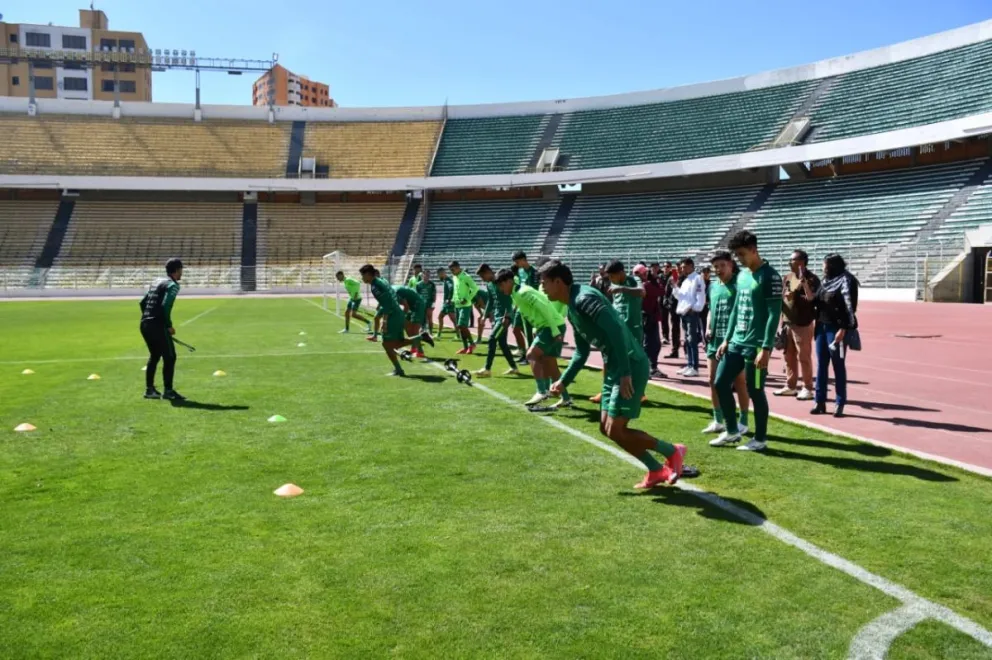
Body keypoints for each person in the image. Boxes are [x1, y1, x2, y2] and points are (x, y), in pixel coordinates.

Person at [542, 260, 686, 489]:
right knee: (605, 428)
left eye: (544, 282)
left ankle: (672, 450)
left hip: (629, 364)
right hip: (615, 368)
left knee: (616, 428)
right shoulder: (572, 308)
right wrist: (563, 381)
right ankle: (656, 470)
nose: (542, 288)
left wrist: (626, 373)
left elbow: (617, 330)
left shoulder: (584, 299)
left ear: (558, 282)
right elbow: (581, 352)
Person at [711, 231, 783, 452]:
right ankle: (732, 431)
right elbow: (736, 310)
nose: (739, 259)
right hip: (736, 342)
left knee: (756, 390)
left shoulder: (770, 276)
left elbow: (774, 314)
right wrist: (726, 339)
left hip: (756, 346)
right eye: (737, 255)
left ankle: (760, 439)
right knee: (720, 382)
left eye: (742, 254)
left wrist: (767, 348)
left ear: (754, 250)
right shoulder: (742, 276)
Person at [703, 251, 750, 435]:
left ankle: (744, 420)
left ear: (730, 264)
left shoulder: (739, 284)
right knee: (712, 380)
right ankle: (718, 420)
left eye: (722, 265)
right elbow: (710, 310)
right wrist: (708, 326)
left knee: (739, 382)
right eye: (715, 266)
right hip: (715, 341)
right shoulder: (713, 286)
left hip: (734, 341)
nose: (718, 269)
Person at [808, 253, 858, 418]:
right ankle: (819, 401)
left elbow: (850, 307)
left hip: (836, 329)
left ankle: (839, 402)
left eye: (825, 265)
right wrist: (804, 286)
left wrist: (843, 329)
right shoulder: (824, 282)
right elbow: (815, 301)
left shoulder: (847, 281)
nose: (823, 268)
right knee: (821, 365)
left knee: (838, 365)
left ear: (832, 265)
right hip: (821, 327)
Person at [510, 278, 571, 409]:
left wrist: (555, 331)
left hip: (550, 326)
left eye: (545, 281)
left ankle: (541, 391)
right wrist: (535, 328)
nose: (542, 285)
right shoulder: (518, 293)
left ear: (508, 282)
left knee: (531, 354)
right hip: (548, 326)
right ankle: (566, 398)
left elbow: (544, 308)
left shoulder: (524, 293)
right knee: (550, 365)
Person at [590, 260, 645, 404]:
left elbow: (642, 292)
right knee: (608, 358)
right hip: (617, 327)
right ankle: (605, 390)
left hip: (632, 328)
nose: (611, 281)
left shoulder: (634, 279)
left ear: (621, 273)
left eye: (612, 277)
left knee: (634, 361)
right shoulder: (614, 283)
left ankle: (639, 393)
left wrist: (621, 288)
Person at [775, 250, 820, 400]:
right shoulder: (788, 277)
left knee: (803, 357)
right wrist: (781, 322)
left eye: (792, 260)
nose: (789, 262)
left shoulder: (811, 278)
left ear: (801, 262)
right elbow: (783, 298)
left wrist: (801, 288)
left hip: (803, 324)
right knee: (789, 357)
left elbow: (812, 299)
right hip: (788, 322)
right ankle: (791, 386)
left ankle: (807, 388)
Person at [139, 258, 185, 401]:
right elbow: (166, 306)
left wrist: (149, 317)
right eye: (181, 270)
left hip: (145, 324)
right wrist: (168, 325)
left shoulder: (157, 282)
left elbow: (142, 302)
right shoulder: (172, 285)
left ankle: (150, 390)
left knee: (155, 356)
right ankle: (168, 391)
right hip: (158, 325)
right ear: (177, 270)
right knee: (170, 356)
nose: (182, 273)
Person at [360, 264, 417, 376]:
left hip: (393, 315)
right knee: (393, 343)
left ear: (368, 274)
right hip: (397, 313)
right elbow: (390, 297)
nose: (362, 278)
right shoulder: (381, 281)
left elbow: (386, 304)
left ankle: (399, 369)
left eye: (362, 275)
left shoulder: (375, 286)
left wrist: (384, 322)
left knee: (388, 344)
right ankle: (399, 368)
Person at [473, 265, 519, 377]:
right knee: (503, 344)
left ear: (488, 272)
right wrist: (484, 316)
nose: (482, 279)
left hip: (505, 317)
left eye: (482, 276)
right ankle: (514, 367)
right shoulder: (489, 285)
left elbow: (512, 299)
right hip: (497, 316)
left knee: (492, 338)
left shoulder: (502, 282)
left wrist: (508, 314)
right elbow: (490, 301)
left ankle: (487, 368)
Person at [673, 258, 706, 377]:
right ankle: (690, 364)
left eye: (684, 267)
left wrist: (695, 308)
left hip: (691, 313)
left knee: (692, 340)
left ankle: (695, 367)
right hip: (684, 312)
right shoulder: (686, 280)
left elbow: (700, 296)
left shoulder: (697, 278)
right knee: (687, 340)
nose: (682, 269)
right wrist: (675, 287)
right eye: (681, 267)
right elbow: (681, 297)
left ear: (691, 266)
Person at [512, 251, 540, 357]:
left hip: (530, 306)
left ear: (524, 260)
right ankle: (523, 351)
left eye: (517, 262)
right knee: (516, 328)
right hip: (521, 305)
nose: (516, 264)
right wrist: (517, 304)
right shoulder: (520, 272)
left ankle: (530, 355)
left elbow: (536, 291)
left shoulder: (534, 272)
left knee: (529, 332)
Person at [393, 284, 432, 359]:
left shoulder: (394, 292)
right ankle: (414, 348)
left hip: (418, 305)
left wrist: (399, 317)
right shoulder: (390, 291)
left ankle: (420, 351)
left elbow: (406, 307)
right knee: (406, 326)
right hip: (411, 305)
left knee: (414, 330)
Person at [640, 264, 665, 379]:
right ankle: (649, 368)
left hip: (650, 317)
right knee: (651, 344)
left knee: (652, 344)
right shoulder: (647, 285)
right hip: (648, 318)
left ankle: (650, 367)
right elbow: (661, 291)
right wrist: (657, 279)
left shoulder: (647, 284)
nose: (656, 272)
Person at [450, 261, 480, 354]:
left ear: (458, 267)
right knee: (460, 327)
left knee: (462, 325)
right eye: (450, 270)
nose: (452, 271)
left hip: (465, 306)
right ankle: (465, 347)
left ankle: (472, 344)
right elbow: (455, 290)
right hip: (457, 305)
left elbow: (475, 288)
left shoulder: (466, 277)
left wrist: (467, 299)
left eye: (453, 269)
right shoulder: (454, 277)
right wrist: (453, 299)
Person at [663, 265, 681, 358]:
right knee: (675, 328)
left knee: (687, 329)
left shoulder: (686, 279)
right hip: (673, 307)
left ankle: (688, 351)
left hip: (684, 306)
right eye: (677, 268)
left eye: (680, 268)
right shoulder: (671, 278)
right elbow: (667, 292)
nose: (678, 270)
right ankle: (675, 350)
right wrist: (666, 302)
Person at [416, 268, 437, 335]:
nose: (427, 276)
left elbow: (434, 294)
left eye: (428, 275)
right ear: (423, 275)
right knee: (422, 317)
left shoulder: (432, 284)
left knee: (429, 317)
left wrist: (433, 304)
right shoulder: (418, 284)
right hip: (421, 304)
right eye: (426, 275)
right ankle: (422, 330)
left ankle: (430, 332)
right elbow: (417, 295)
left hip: (429, 303)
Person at [436, 267, 456, 337]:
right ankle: (439, 334)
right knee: (440, 317)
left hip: (449, 304)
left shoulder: (448, 280)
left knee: (454, 320)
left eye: (439, 275)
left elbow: (452, 288)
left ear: (442, 273)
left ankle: (459, 335)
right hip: (445, 304)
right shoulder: (445, 280)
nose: (438, 276)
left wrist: (449, 299)